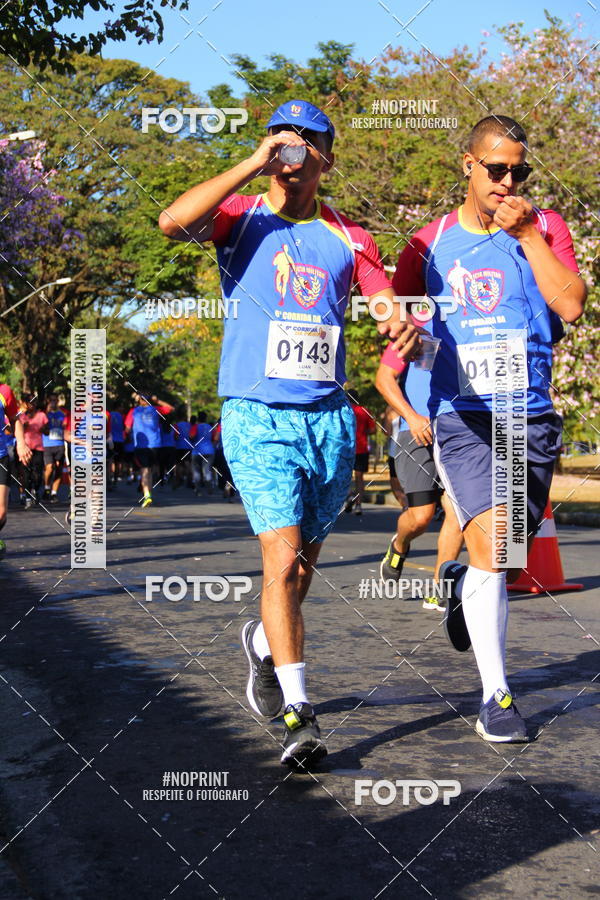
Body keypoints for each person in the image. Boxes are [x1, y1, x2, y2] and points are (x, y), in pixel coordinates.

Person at [159, 98, 419, 768]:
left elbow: (380, 293)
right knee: (280, 558)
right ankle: (303, 718)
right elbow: (171, 222)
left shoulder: (351, 236)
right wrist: (251, 161)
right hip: (256, 412)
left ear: (328, 156)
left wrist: (398, 320)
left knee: (302, 566)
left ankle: (266, 647)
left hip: (328, 418)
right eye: (286, 139)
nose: (296, 151)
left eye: (311, 142)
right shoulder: (240, 219)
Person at [392, 115, 586, 742]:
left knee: (506, 553)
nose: (508, 181)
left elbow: (572, 305)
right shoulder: (428, 242)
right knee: (495, 540)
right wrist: (403, 331)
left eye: (519, 171)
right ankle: (496, 698)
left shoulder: (546, 227)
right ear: (467, 167)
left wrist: (530, 234)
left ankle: (460, 585)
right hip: (463, 413)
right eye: (496, 169)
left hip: (527, 414)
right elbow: (398, 316)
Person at [376, 354, 463, 611]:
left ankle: (440, 588)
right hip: (415, 429)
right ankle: (399, 544)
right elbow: (384, 379)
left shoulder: (467, 325)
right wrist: (411, 416)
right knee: (421, 517)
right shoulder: (413, 327)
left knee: (458, 511)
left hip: (459, 430)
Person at [124, 392, 174, 508]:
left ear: (140, 401)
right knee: (149, 470)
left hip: (141, 445)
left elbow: (127, 428)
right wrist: (157, 400)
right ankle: (148, 494)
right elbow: (170, 408)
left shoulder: (134, 411)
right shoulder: (155, 409)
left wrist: (127, 437)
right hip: (155, 445)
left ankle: (147, 495)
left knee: (145, 470)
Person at [0, 383, 30, 555]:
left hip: (1, 455)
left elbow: (15, 418)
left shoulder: (4, 391)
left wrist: (21, 443)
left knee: (2, 512)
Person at [344, 392, 376, 515]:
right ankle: (358, 505)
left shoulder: (344, 411)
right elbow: (373, 430)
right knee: (359, 478)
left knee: (345, 477)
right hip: (361, 448)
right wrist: (362, 431)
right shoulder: (364, 411)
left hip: (346, 448)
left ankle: (349, 495)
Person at [18, 394, 47, 508]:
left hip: (38, 448)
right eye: (30, 402)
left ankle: (35, 489)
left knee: (38, 474)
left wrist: (43, 429)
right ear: (26, 403)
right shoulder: (21, 416)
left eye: (34, 402)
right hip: (25, 449)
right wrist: (23, 427)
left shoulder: (41, 415)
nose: (32, 404)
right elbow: (12, 430)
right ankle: (28, 497)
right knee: (25, 474)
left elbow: (47, 431)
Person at [382, 405, 407, 509]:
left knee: (395, 485)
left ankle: (406, 507)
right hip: (412, 449)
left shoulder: (391, 408)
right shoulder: (412, 402)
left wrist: (383, 418)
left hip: (395, 451)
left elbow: (386, 431)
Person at [42, 392, 66, 502]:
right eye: (50, 400)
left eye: (55, 400)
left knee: (59, 469)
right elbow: (41, 426)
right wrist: (47, 410)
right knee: (49, 468)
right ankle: (47, 488)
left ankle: (54, 493)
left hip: (60, 444)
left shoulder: (62, 414)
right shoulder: (44, 414)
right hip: (47, 444)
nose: (53, 402)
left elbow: (66, 427)